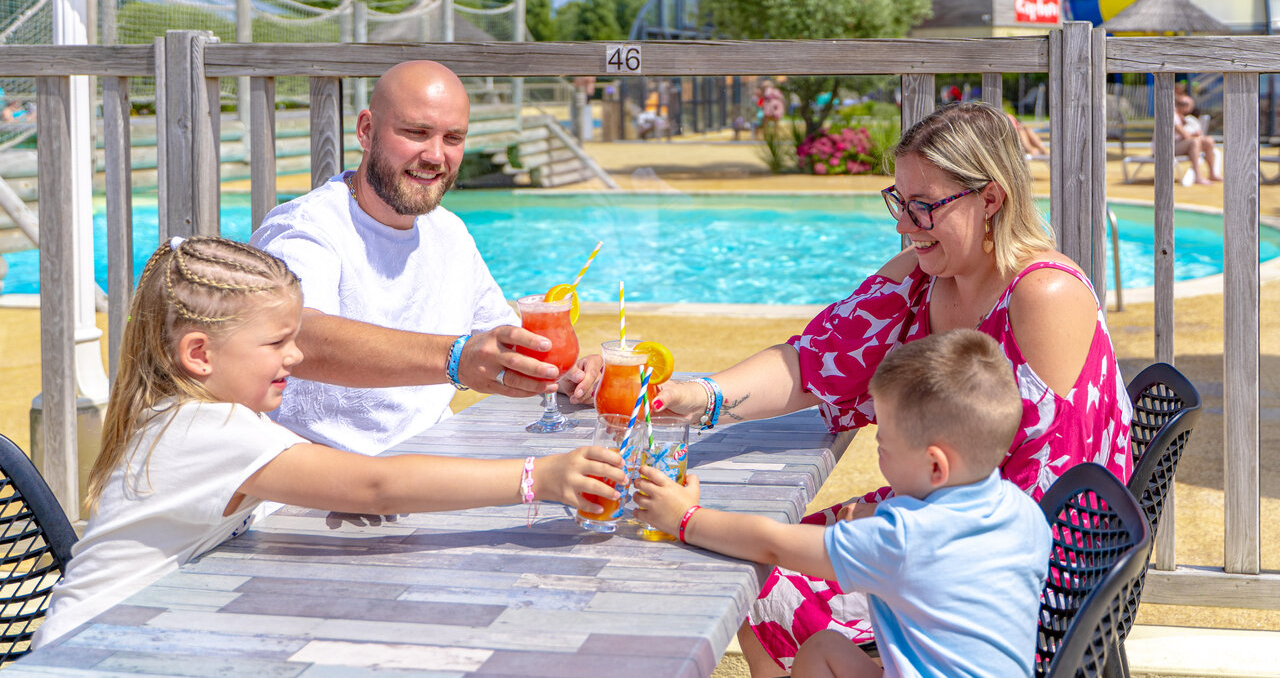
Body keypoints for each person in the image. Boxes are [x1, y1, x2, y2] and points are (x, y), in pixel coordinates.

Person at [644, 101, 1133, 674]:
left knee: (766, 575)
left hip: (1023, 573)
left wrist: (895, 520)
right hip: (944, 517)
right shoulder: (923, 271)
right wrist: (698, 395)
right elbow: (812, 359)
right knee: (753, 563)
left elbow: (1045, 483)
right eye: (899, 202)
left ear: (991, 198)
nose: (905, 224)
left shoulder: (1043, 295)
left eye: (924, 206)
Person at [31, 237, 625, 649]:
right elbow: (377, 482)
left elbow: (334, 477)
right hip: (90, 652)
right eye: (277, 343)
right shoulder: (208, 428)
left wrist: (328, 489)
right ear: (199, 354)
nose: (296, 356)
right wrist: (538, 478)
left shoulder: (198, 414)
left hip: (131, 634)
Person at [635, 329, 1052, 678]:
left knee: (808, 640)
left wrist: (683, 517)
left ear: (935, 466)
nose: (878, 454)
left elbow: (774, 545)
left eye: (883, 444)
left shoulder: (900, 542)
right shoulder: (1023, 512)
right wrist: (878, 517)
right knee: (827, 649)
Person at [251, 60, 600, 457]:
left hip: (430, 459)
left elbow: (497, 335)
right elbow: (297, 336)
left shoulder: (448, 232)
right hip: (318, 480)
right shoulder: (305, 228)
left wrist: (569, 373)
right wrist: (455, 359)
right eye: (416, 133)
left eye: (453, 138)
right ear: (367, 131)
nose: (436, 155)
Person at [1174, 93, 1220, 184]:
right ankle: (1198, 176)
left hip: (1180, 144)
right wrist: (1196, 136)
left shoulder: (1186, 118)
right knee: (1194, 142)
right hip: (1168, 147)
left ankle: (1212, 174)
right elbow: (1185, 135)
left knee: (1209, 140)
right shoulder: (1173, 116)